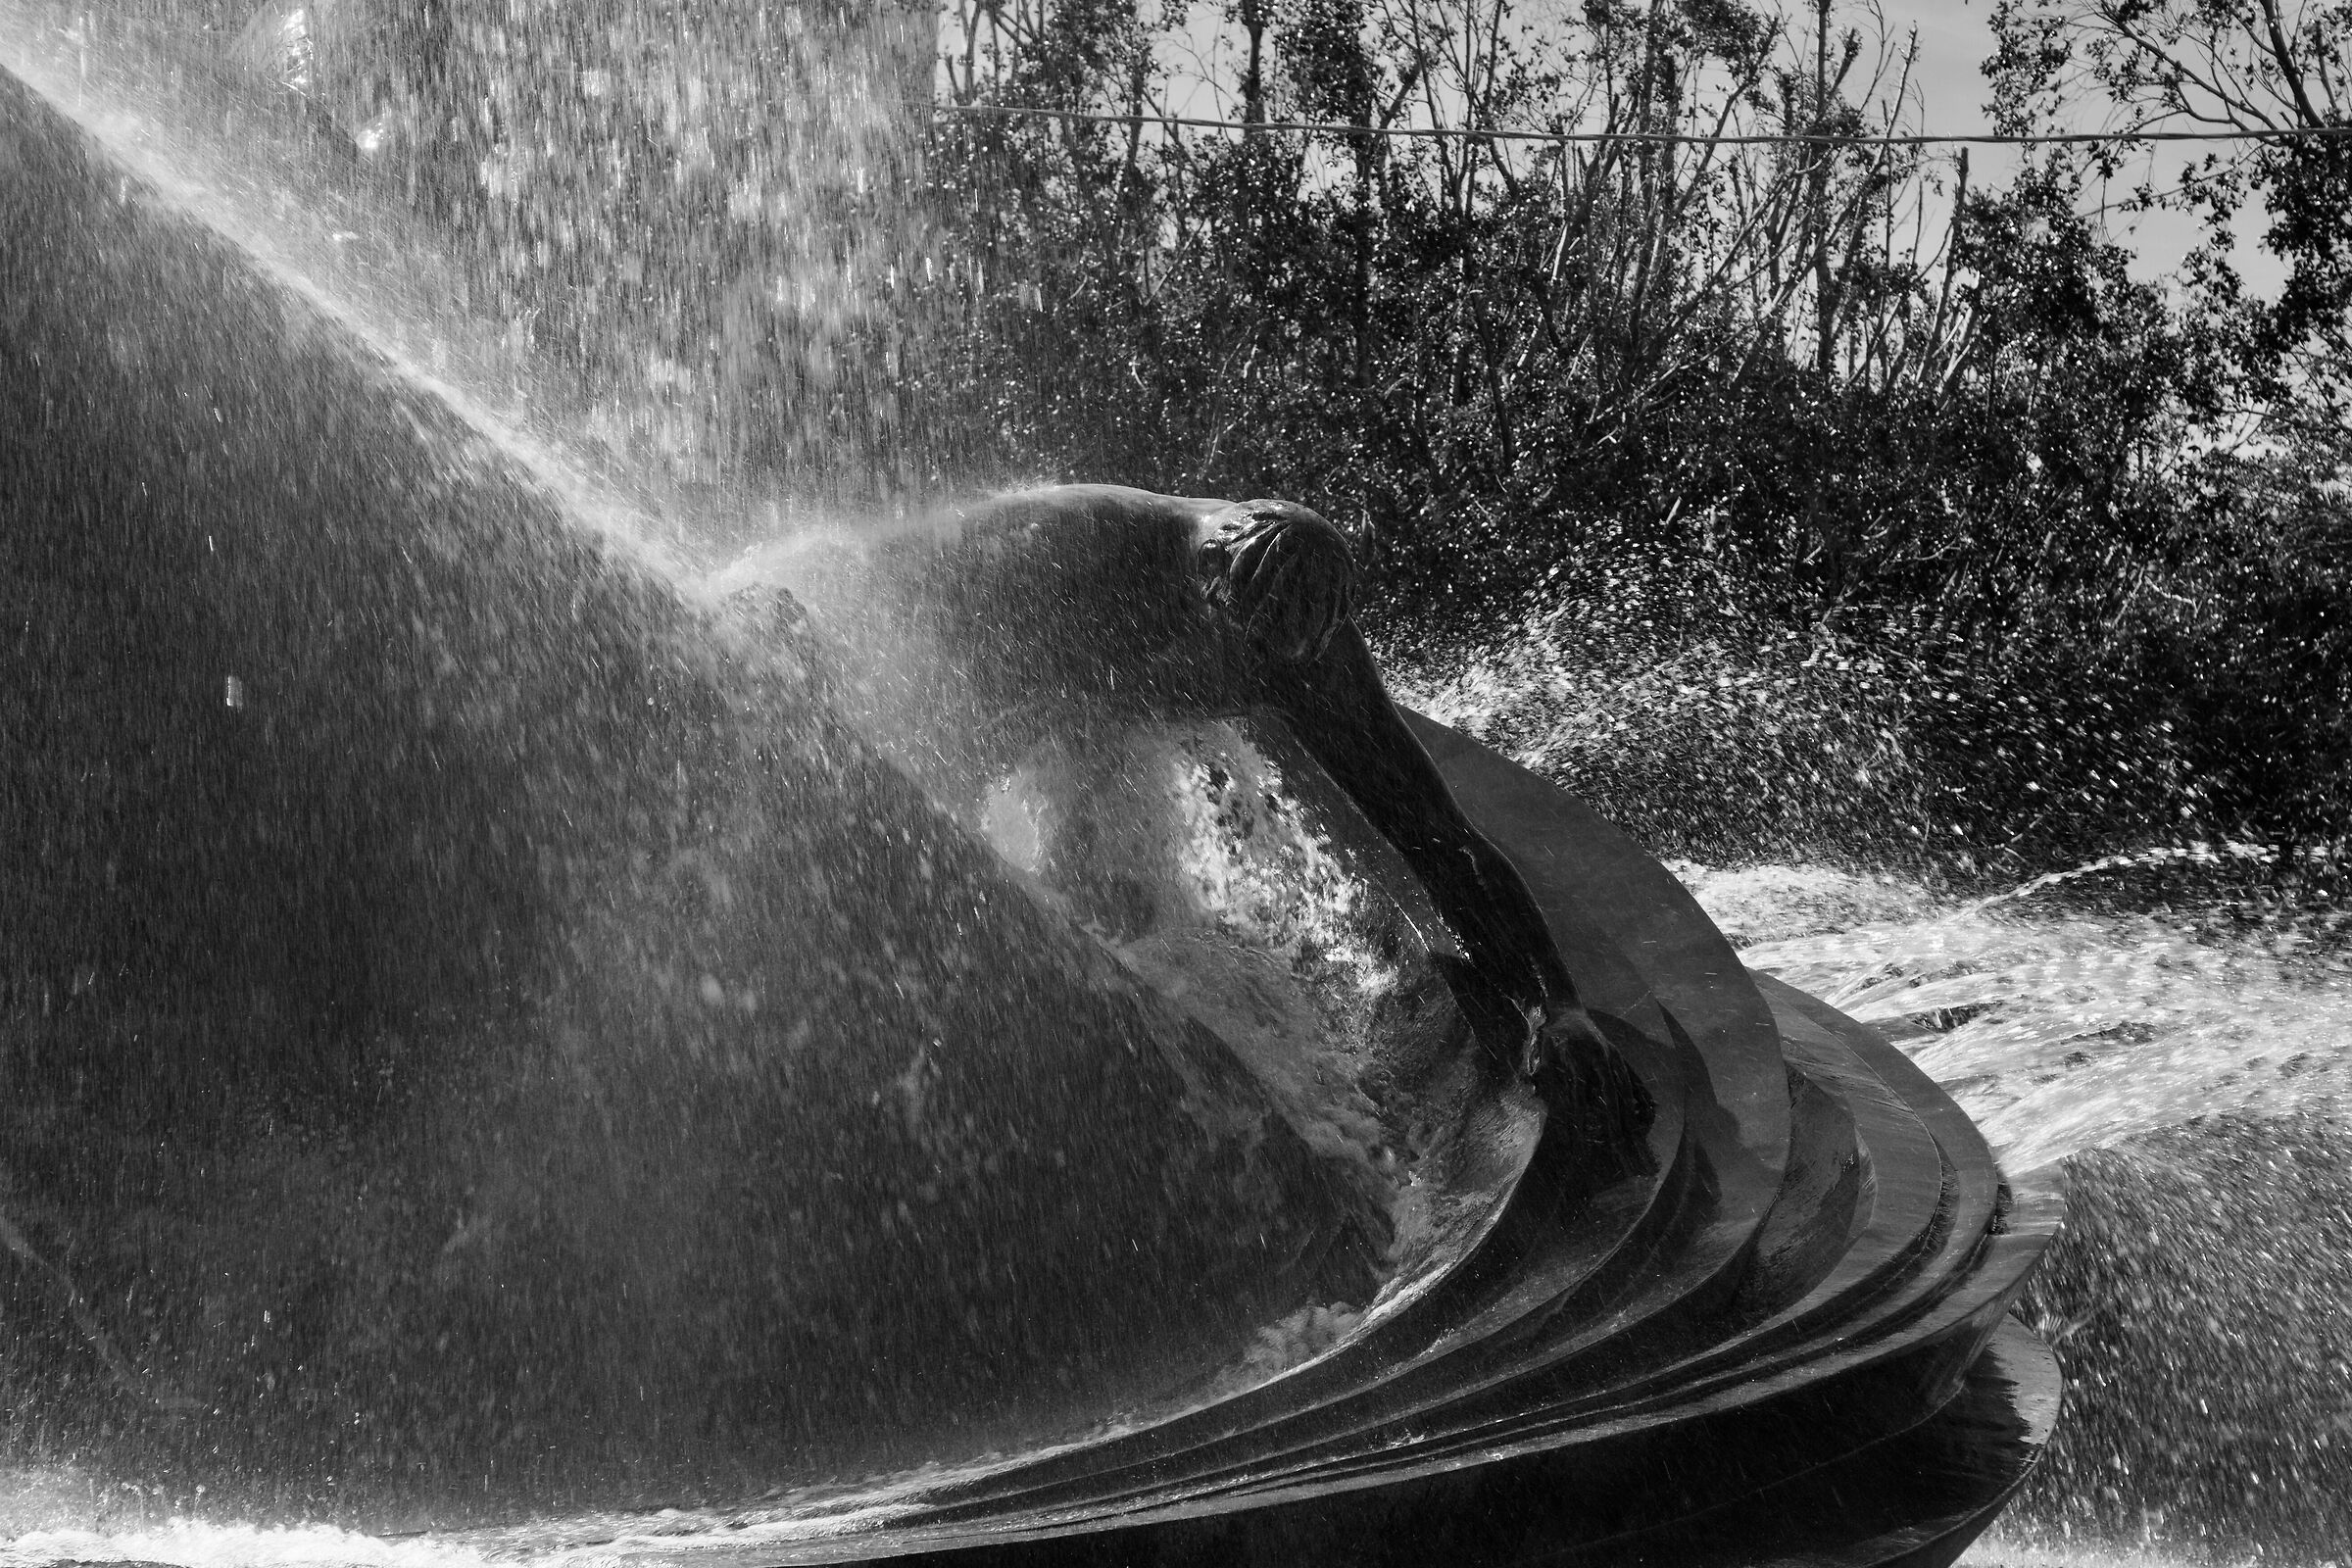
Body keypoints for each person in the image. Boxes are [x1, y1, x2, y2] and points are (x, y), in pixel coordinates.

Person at [791, 484, 1642, 1134]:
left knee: (1108, 903)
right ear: (1209, 583)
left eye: (1289, 648)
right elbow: (928, 648)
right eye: (1254, 634)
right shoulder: (1083, 555)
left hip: (1082, 702)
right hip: (948, 634)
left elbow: (1437, 837)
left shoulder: (1310, 654)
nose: (1270, 661)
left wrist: (1556, 1006)